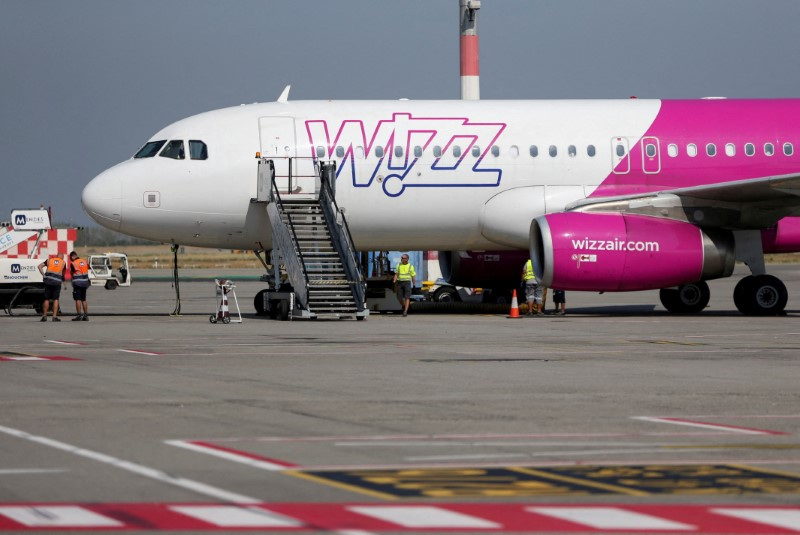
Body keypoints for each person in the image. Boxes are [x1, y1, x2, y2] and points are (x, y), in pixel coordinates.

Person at [38, 255, 66, 322]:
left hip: (48, 282)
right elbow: (63, 274)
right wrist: (64, 284)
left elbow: (39, 266)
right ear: (62, 257)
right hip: (57, 283)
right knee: (56, 299)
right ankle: (54, 317)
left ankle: (44, 316)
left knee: (46, 299)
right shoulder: (63, 263)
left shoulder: (49, 260)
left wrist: (44, 275)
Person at [392, 253, 416, 317]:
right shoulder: (398, 265)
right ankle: (404, 306)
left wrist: (414, 284)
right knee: (399, 297)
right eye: (401, 258)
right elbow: (396, 274)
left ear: (407, 259)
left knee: (407, 297)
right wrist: (394, 281)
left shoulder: (410, 266)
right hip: (400, 282)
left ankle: (405, 311)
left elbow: (413, 276)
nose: (401, 259)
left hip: (407, 283)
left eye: (403, 258)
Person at [69, 251, 91, 321]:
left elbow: (72, 273)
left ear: (73, 257)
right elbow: (88, 268)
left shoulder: (73, 263)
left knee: (77, 299)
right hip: (85, 283)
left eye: (70, 258)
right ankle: (86, 315)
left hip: (78, 283)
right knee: (83, 299)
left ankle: (79, 315)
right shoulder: (84, 261)